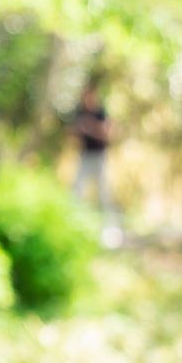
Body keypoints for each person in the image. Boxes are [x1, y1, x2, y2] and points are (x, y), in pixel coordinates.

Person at [71, 82, 119, 246]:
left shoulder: (101, 113)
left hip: (99, 156)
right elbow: (73, 135)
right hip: (84, 156)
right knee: (76, 192)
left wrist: (90, 128)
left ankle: (111, 232)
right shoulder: (79, 113)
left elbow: (107, 134)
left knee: (104, 194)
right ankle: (76, 227)